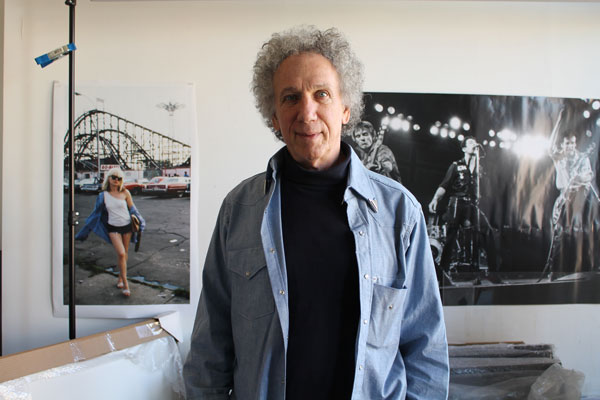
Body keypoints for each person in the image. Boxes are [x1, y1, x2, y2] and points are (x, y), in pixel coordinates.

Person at [184, 26, 448, 399]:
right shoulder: (239, 210)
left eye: (321, 94)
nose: (306, 113)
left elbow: (426, 349)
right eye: (290, 97)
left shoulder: (400, 213)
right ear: (274, 116)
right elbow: (210, 346)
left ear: (344, 108)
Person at [542, 108, 599, 279]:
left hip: (580, 200)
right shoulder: (559, 157)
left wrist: (580, 178)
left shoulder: (583, 158)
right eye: (568, 143)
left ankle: (591, 266)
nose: (571, 146)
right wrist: (558, 122)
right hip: (564, 199)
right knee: (559, 234)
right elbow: (550, 146)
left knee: (588, 231)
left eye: (573, 143)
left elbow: (589, 176)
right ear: (563, 144)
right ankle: (554, 270)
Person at [428, 137, 497, 277]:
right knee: (451, 236)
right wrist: (435, 199)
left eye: (475, 142)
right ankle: (443, 271)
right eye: (470, 143)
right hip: (457, 202)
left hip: (474, 204)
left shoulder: (481, 168)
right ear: (464, 148)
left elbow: (487, 190)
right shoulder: (456, 165)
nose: (474, 144)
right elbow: (444, 185)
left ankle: (493, 270)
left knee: (485, 232)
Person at [75, 168, 145, 296]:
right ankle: (126, 284)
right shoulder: (103, 196)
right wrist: (85, 230)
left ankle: (120, 278)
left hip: (127, 226)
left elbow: (133, 210)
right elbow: (95, 214)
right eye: (114, 177)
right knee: (122, 253)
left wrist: (141, 222)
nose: (116, 180)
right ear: (108, 178)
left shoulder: (125, 193)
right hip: (112, 228)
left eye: (119, 178)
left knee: (123, 254)